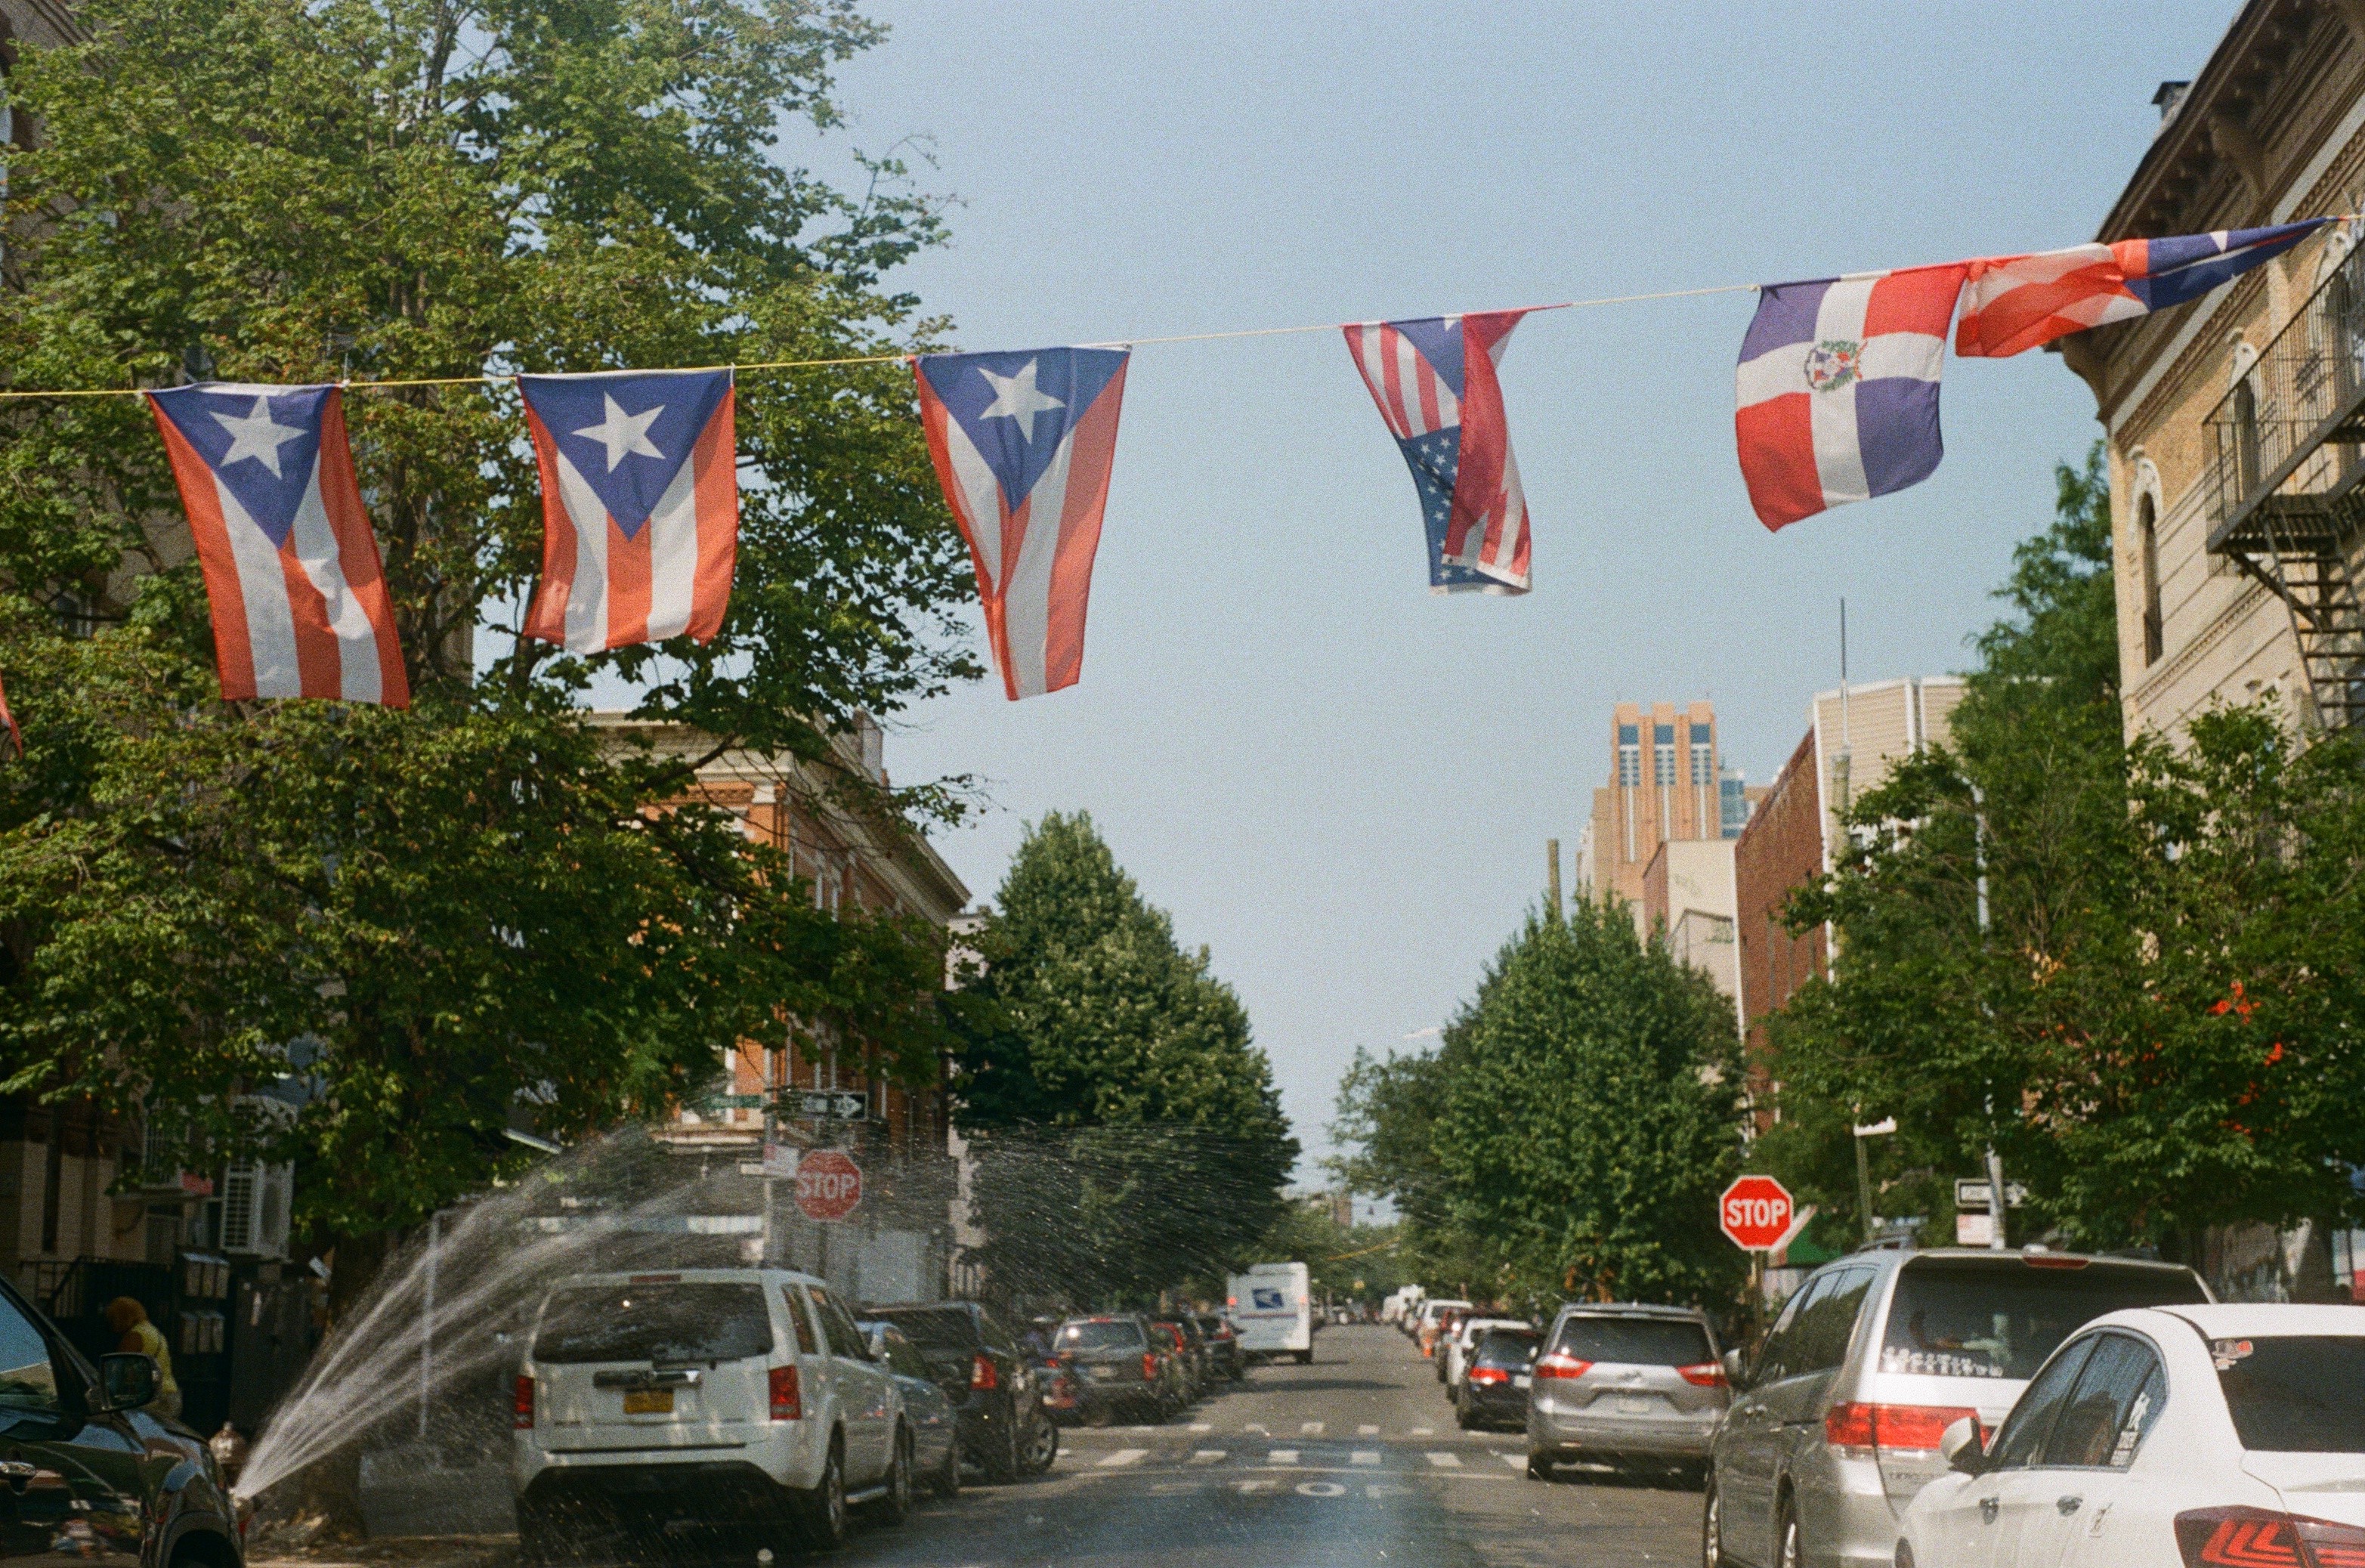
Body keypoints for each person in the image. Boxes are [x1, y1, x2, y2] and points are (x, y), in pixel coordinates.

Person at [101, 1297, 181, 1421]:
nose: (111, 1324)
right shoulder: (153, 1331)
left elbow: (119, 1370)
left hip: (150, 1399)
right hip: (170, 1394)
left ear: (123, 1317)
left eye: (113, 1319)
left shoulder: (134, 1336)